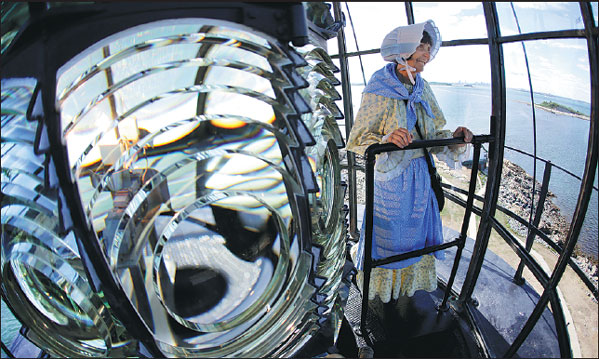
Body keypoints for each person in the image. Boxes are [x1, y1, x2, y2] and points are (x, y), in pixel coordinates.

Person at [346, 20, 473, 307]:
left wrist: (454, 139)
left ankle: (407, 291)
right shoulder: (379, 87)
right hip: (391, 183)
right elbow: (358, 139)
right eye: (417, 60)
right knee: (390, 240)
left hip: (420, 181)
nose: (422, 67)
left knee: (415, 240)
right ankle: (384, 295)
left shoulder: (423, 89)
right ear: (401, 55)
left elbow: (435, 132)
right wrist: (387, 139)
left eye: (425, 60)